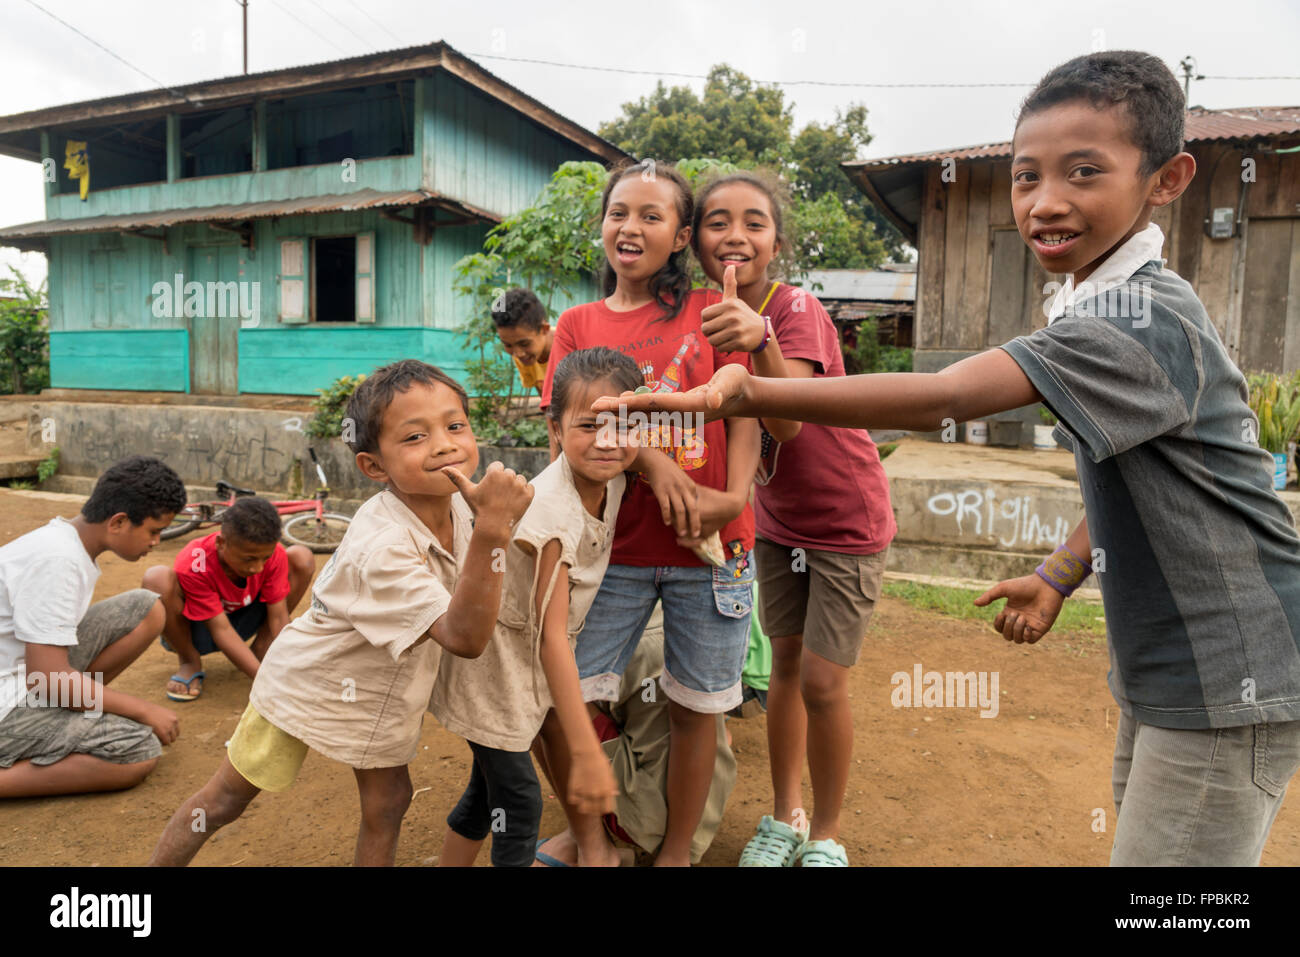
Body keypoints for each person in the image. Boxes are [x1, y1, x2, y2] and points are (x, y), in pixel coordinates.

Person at [603, 51, 1300, 867]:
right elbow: (1147, 481)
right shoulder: (1099, 298)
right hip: (1172, 663)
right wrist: (1057, 574)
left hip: (1225, 668)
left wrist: (752, 394)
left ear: (1167, 178)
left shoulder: (1134, 316)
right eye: (1025, 175)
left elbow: (944, 395)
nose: (1045, 201)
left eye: (1084, 172)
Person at [149, 360, 533, 866]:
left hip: (381, 693)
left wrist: (491, 524)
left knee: (391, 801)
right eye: (416, 437)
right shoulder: (385, 545)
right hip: (307, 683)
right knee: (225, 800)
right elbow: (465, 637)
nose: (444, 445)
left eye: (455, 426)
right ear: (374, 467)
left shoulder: (463, 507)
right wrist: (493, 530)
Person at [540, 158, 760, 866]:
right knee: (557, 693)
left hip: (713, 551)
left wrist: (736, 497)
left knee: (698, 710)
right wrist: (651, 458)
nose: (630, 227)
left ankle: (672, 853)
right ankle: (596, 837)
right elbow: (568, 424)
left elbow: (748, 409)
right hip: (614, 549)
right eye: (618, 213)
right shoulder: (577, 323)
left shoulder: (709, 313)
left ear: (681, 235)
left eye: (651, 215)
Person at [693, 171, 896, 866]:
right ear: (695, 240)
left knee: (821, 680)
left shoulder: (794, 308)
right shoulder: (705, 317)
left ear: (776, 240)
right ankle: (785, 817)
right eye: (717, 221)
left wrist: (759, 341)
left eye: (754, 221)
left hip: (844, 519)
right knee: (780, 668)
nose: (735, 235)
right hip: (780, 524)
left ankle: (829, 834)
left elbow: (789, 418)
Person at [432, 348, 642, 867]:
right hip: (499, 670)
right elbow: (550, 641)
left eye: (625, 424)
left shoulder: (611, 479)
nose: (608, 439)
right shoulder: (552, 512)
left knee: (485, 795)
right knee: (520, 803)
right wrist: (589, 753)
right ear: (555, 429)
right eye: (589, 425)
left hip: (525, 664)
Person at [0, 455, 186, 798]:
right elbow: (47, 679)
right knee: (136, 750)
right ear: (117, 522)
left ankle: (71, 712)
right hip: (10, 701)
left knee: (147, 609)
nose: (156, 542)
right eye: (153, 531)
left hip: (27, 677)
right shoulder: (58, 561)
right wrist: (143, 710)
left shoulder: (67, 543)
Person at [143, 497, 314, 702]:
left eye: (264, 558)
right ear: (221, 543)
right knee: (157, 579)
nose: (257, 568)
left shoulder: (272, 553)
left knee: (301, 557)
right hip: (200, 631)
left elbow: (278, 618)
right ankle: (189, 661)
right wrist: (266, 680)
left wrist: (291, 668)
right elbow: (220, 629)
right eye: (249, 559)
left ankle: (263, 649)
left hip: (245, 618)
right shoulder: (196, 561)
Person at [493, 287, 554, 395]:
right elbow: (547, 402)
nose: (518, 354)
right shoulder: (526, 356)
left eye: (524, 344)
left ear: (544, 329)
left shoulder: (574, 347)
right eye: (507, 345)